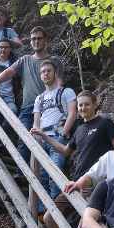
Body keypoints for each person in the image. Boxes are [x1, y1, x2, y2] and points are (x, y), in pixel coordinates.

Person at [31, 90, 114, 228]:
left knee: (88, 224)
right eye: (80, 105)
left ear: (94, 105)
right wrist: (45, 136)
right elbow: (66, 151)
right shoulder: (79, 129)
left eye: (87, 104)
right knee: (49, 218)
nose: (83, 108)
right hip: (75, 182)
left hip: (95, 182)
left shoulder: (105, 123)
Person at [0, 26, 55, 164]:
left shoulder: (54, 62)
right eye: (33, 39)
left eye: (39, 38)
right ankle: (20, 173)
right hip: (27, 106)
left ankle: (38, 180)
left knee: (44, 144)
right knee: (23, 138)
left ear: (46, 40)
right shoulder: (25, 60)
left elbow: (60, 85)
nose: (36, 41)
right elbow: (9, 72)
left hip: (48, 107)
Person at [31, 59, 77, 209]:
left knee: (54, 174)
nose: (45, 74)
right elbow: (36, 121)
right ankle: (42, 211)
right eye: (42, 72)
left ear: (55, 73)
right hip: (42, 139)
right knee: (42, 176)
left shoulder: (66, 92)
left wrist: (63, 134)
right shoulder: (39, 98)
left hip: (58, 138)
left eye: (48, 71)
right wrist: (36, 137)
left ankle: (54, 211)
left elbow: (72, 113)